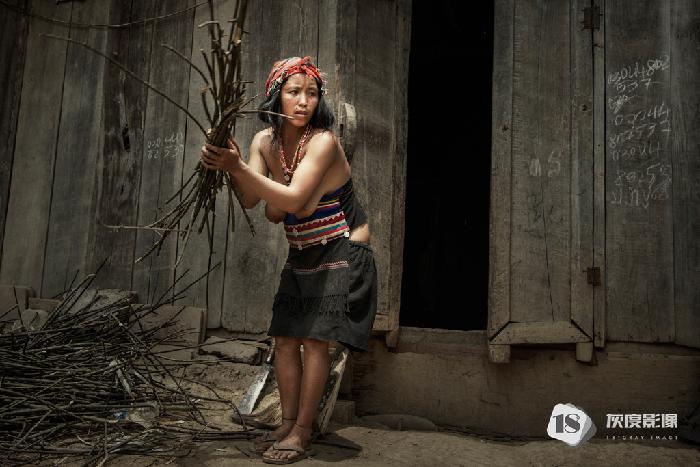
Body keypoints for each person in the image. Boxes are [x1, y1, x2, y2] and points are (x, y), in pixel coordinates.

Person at [200, 56, 378, 464]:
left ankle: (302, 432)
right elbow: (252, 199)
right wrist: (229, 165)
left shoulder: (323, 141)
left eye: (312, 93)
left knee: (314, 342)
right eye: (293, 92)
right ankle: (287, 423)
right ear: (275, 97)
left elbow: (294, 202)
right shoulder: (264, 141)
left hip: (341, 246)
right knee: (284, 339)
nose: (303, 101)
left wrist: (240, 168)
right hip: (302, 249)